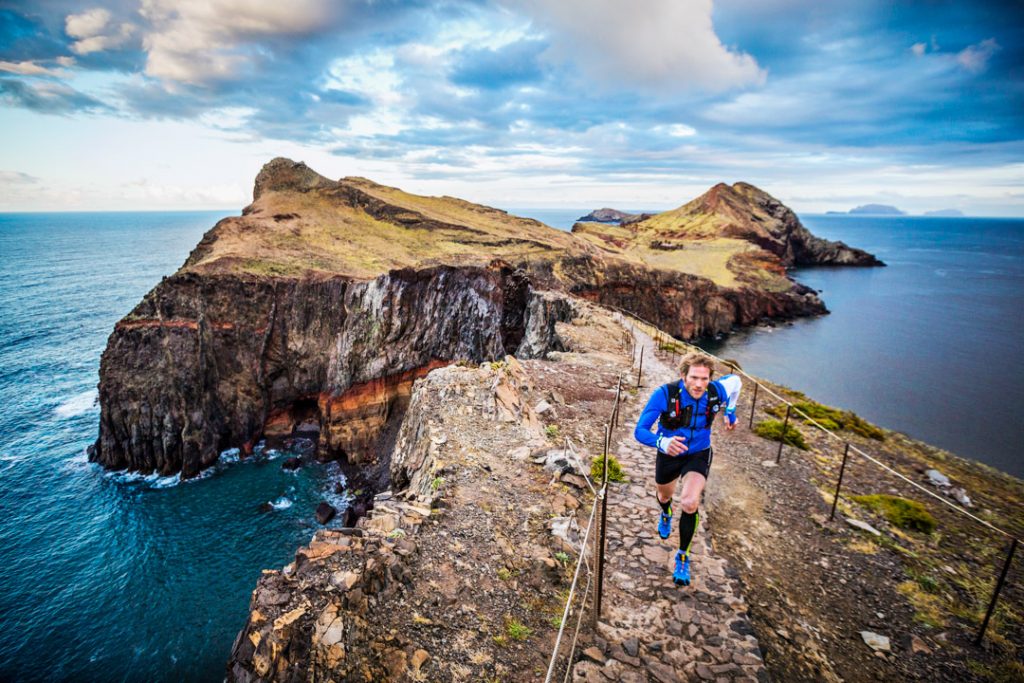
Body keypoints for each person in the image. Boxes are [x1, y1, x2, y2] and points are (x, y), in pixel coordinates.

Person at [633, 352, 741, 586]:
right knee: (664, 494)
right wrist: (662, 442)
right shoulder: (664, 394)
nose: (699, 384)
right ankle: (665, 512)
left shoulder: (715, 391)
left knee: (690, 502)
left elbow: (736, 383)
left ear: (710, 378)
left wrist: (730, 411)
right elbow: (640, 430)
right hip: (669, 453)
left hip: (699, 452)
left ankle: (683, 555)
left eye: (704, 379)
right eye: (694, 378)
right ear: (683, 376)